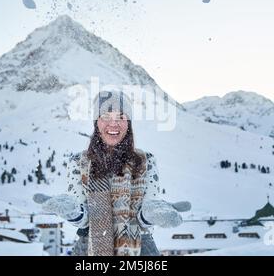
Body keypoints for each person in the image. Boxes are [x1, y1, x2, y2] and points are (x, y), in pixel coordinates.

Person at [34, 90, 190, 256]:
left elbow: (145, 213)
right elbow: (85, 221)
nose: (113, 124)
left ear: (128, 123)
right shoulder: (78, 162)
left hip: (141, 247)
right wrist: (72, 211)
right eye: (106, 117)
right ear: (97, 122)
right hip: (89, 246)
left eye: (121, 117)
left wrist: (152, 213)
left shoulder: (146, 161)